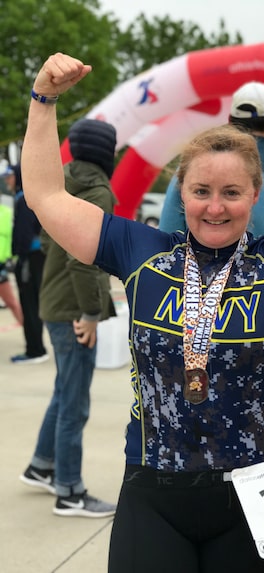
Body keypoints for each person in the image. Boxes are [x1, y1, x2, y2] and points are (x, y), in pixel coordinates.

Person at [21, 52, 264, 572]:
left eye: (231, 192)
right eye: (201, 191)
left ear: (254, 193)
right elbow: (46, 195)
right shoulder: (142, 254)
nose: (215, 206)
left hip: (258, 489)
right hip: (155, 487)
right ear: (181, 194)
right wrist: (43, 100)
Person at [160, 81, 264, 409]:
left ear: (231, 118)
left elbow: (167, 245)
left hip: (194, 323)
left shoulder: (194, 170)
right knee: (261, 435)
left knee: (187, 428)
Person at [19, 118, 118, 518]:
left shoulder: (59, 181)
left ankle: (42, 465)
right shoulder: (97, 192)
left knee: (64, 391)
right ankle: (69, 491)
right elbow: (84, 262)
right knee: (74, 402)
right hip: (75, 308)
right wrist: (92, 313)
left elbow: (52, 241)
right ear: (106, 153)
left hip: (52, 300)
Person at [2, 163, 48, 363]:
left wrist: (16, 256)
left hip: (30, 258)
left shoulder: (24, 200)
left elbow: (23, 235)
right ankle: (36, 348)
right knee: (32, 304)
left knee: (29, 304)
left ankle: (35, 350)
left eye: (10, 176)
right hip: (36, 257)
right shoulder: (31, 197)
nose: (7, 180)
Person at [0, 174, 23, 326]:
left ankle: (31, 337)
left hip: (2, 265)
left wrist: (13, 259)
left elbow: (15, 236)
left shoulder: (7, 212)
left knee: (12, 303)